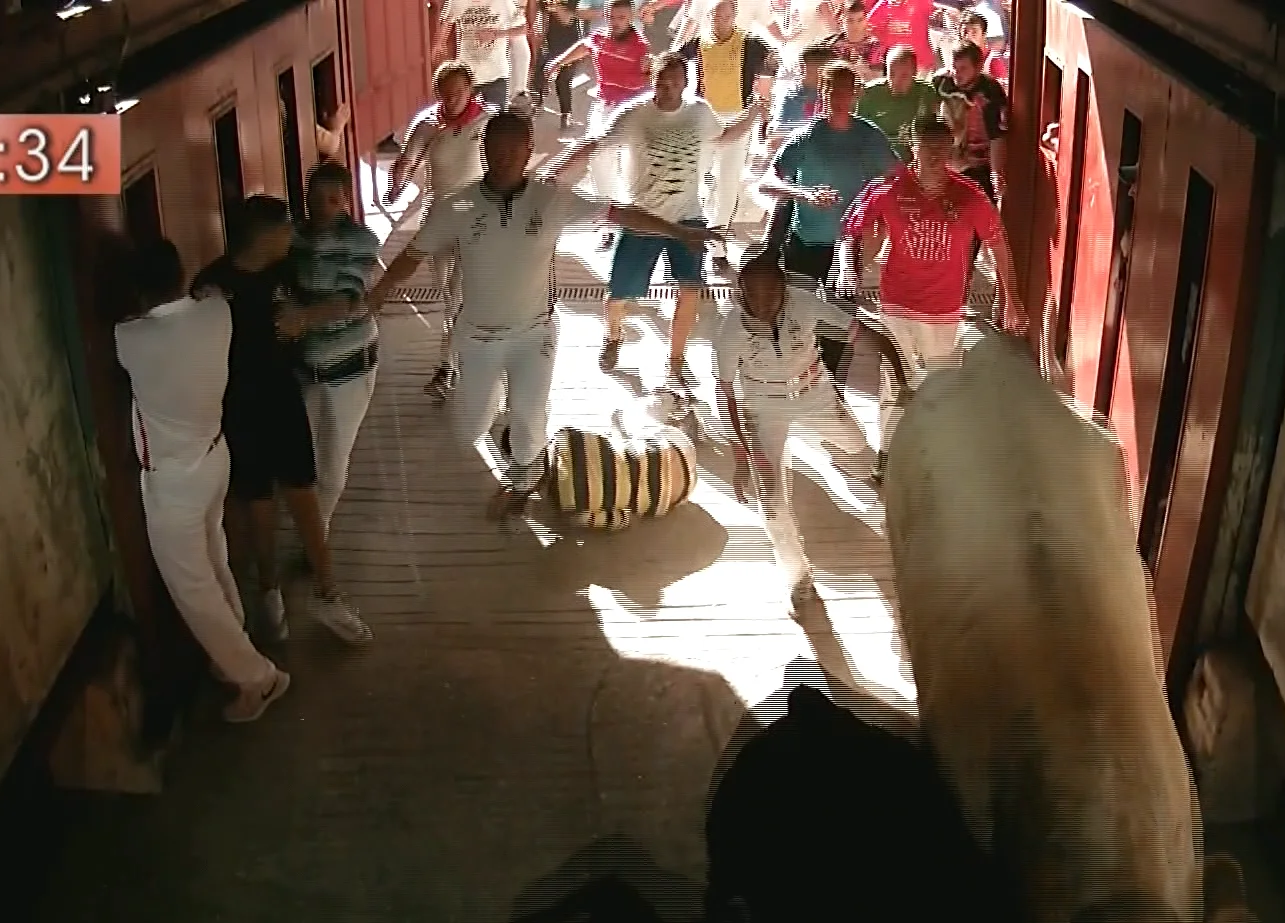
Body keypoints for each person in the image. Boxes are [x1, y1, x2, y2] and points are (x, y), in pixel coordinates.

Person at [367, 110, 720, 520]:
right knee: (467, 431)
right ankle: (510, 425)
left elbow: (619, 213)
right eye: (495, 149)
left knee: (530, 417)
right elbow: (411, 256)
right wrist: (377, 295)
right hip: (476, 338)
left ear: (528, 152)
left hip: (533, 335)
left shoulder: (551, 199)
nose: (503, 157)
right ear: (483, 149)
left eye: (513, 150)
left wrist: (678, 232)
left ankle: (522, 479)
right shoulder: (457, 204)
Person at [113, 238, 291, 724]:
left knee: (192, 585)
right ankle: (231, 648)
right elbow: (212, 294)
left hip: (174, 482)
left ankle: (258, 678)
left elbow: (131, 332)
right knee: (214, 562)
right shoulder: (217, 315)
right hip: (215, 458)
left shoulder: (131, 339)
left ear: (135, 290)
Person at [191, 196, 372, 647]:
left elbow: (344, 300)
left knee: (303, 491)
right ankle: (269, 589)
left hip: (283, 396)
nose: (292, 236)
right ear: (264, 236)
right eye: (286, 230)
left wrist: (306, 318)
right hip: (236, 406)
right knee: (257, 501)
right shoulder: (213, 286)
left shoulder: (286, 272)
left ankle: (326, 593)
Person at [546, 51, 767, 389]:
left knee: (691, 290)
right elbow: (595, 143)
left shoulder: (699, 113)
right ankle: (614, 335)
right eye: (662, 81)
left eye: (675, 82)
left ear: (686, 84)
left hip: (689, 216)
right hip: (642, 218)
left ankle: (675, 360)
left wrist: (752, 117)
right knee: (618, 295)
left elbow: (723, 138)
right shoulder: (634, 116)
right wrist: (559, 172)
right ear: (653, 81)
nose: (667, 88)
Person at [702, 243, 904, 611]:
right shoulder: (730, 330)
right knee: (772, 502)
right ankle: (797, 576)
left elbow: (861, 331)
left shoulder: (805, 304)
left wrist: (898, 369)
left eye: (771, 295)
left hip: (817, 395)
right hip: (764, 410)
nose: (763, 305)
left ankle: (877, 474)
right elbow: (725, 392)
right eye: (753, 296)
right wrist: (740, 454)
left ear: (785, 290)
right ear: (740, 293)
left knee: (858, 444)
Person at [838, 115, 1021, 479]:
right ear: (914, 149)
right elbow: (851, 230)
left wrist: (1011, 298)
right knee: (895, 383)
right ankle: (888, 456)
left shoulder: (969, 196)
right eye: (928, 150)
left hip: (943, 308)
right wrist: (847, 267)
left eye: (943, 150)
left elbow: (998, 243)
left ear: (952, 149)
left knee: (938, 383)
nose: (936, 158)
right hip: (897, 304)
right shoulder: (888, 189)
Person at [276, 164, 384, 649]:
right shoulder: (292, 240)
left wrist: (304, 317)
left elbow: (353, 298)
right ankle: (313, 540)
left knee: (334, 465)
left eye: (331, 198)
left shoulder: (362, 241)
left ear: (344, 199)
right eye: (313, 196)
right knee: (303, 461)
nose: (322, 206)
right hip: (303, 369)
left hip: (349, 367)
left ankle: (313, 540)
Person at [758, 61, 901, 375]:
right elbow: (768, 181)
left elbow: (899, 180)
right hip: (805, 242)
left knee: (841, 319)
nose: (839, 97)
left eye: (846, 91)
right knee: (797, 317)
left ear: (855, 95)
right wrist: (804, 194)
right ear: (822, 92)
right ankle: (796, 375)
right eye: (832, 89)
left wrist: (880, 224)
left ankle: (831, 383)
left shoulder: (869, 137)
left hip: (847, 247)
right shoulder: (805, 136)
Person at [387, 61, 492, 406]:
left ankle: (450, 366)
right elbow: (407, 159)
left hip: (474, 213)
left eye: (459, 91)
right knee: (448, 297)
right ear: (438, 93)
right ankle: (454, 361)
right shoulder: (428, 125)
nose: (453, 99)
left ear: (470, 91)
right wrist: (396, 185)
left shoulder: (485, 120)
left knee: (460, 291)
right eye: (446, 93)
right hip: (439, 214)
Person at [501, 401, 700, 529]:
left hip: (674, 497)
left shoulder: (567, 508)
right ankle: (677, 409)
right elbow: (613, 445)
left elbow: (624, 520)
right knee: (625, 418)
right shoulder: (565, 436)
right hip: (679, 452)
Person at [544, 0, 653, 228]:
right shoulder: (599, 37)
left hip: (629, 111)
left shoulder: (640, 46)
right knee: (599, 160)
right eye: (612, 18)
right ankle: (610, 216)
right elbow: (585, 44)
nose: (616, 23)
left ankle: (629, 214)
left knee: (623, 162)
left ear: (631, 17)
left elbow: (650, 79)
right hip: (604, 105)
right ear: (606, 16)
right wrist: (558, 62)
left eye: (622, 18)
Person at [675, 0, 781, 232]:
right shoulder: (698, 43)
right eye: (716, 17)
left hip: (738, 118)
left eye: (726, 18)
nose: (721, 23)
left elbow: (772, 66)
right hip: (704, 118)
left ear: (734, 17)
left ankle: (718, 240)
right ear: (709, 17)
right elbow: (673, 61)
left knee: (729, 180)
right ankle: (692, 224)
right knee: (695, 175)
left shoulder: (751, 43)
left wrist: (764, 106)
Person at [932, 40, 1008, 200]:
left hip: (979, 164)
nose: (957, 74)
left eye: (963, 68)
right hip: (946, 160)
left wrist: (996, 174)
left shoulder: (989, 91)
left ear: (978, 67)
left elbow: (997, 137)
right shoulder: (941, 83)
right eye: (954, 67)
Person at [435, 0, 531, 107]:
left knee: (496, 121)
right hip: (467, 77)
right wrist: (440, 43)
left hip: (496, 75)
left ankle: (520, 89)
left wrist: (496, 34)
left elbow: (524, 28)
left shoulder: (504, 3)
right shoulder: (457, 1)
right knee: (469, 121)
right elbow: (447, 20)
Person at [855, 44, 937, 160]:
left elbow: (932, 132)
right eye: (891, 74)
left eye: (904, 76)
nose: (896, 81)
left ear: (914, 73)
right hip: (878, 160)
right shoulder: (869, 94)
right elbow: (858, 133)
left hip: (914, 161)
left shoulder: (925, 93)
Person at [534, 0, 588, 128]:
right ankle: (536, 104)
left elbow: (567, 19)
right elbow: (541, 18)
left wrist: (555, 6)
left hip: (570, 44)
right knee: (540, 72)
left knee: (563, 80)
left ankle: (566, 114)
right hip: (549, 42)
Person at [820, 1, 886, 84]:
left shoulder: (874, 45)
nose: (855, 25)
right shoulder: (830, 45)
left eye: (860, 20)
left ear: (865, 20)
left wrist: (863, 69)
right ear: (841, 20)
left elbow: (877, 79)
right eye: (850, 20)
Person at [863, 0, 940, 70]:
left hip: (921, 64)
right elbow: (868, 29)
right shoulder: (884, 5)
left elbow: (938, 17)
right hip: (895, 64)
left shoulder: (922, 2)